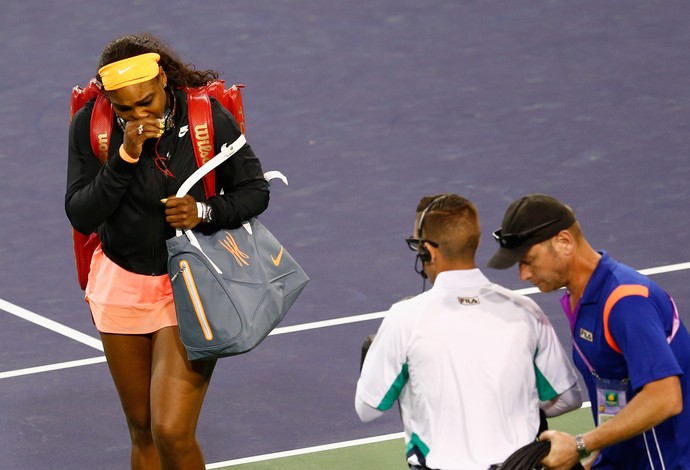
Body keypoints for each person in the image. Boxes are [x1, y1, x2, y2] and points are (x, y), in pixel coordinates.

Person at [65, 33, 269, 469]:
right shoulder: (92, 124)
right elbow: (82, 213)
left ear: (162, 80)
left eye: (147, 102)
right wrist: (125, 155)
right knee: (142, 428)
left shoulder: (205, 118)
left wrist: (204, 211)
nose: (139, 114)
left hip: (191, 286)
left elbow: (254, 191)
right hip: (122, 283)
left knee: (171, 431)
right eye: (125, 109)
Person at [355, 193, 582, 469]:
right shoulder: (527, 311)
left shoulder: (403, 319)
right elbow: (568, 399)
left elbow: (368, 409)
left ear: (429, 250)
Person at [488, 193, 690, 470]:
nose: (523, 274)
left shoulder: (626, 302)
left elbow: (665, 398)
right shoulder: (583, 299)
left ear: (564, 242)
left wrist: (581, 445)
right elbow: (614, 390)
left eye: (528, 260)